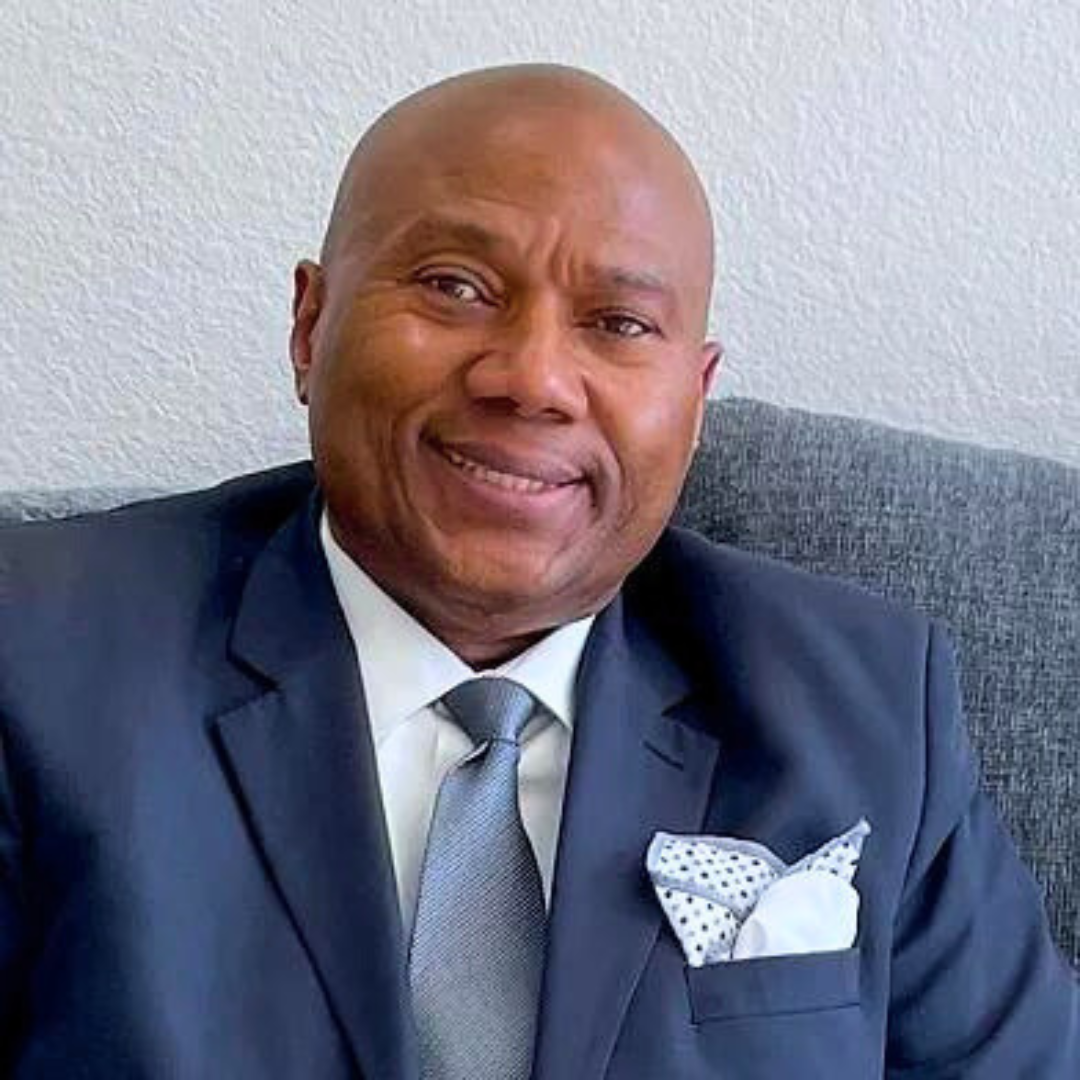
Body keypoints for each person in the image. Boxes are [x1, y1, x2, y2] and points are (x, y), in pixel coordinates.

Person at [0, 63, 1075, 1079]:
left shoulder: (869, 706)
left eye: (618, 323)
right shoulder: (39, 655)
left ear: (695, 400)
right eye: (456, 286)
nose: (532, 379)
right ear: (309, 325)